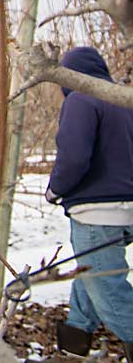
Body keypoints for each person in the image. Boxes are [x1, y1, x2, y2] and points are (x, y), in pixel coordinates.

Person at [45, 47, 133, 361]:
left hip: (98, 213)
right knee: (90, 276)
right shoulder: (123, 99)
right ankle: (74, 344)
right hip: (127, 209)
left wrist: (55, 189)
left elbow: (73, 157)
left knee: (108, 290)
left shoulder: (80, 99)